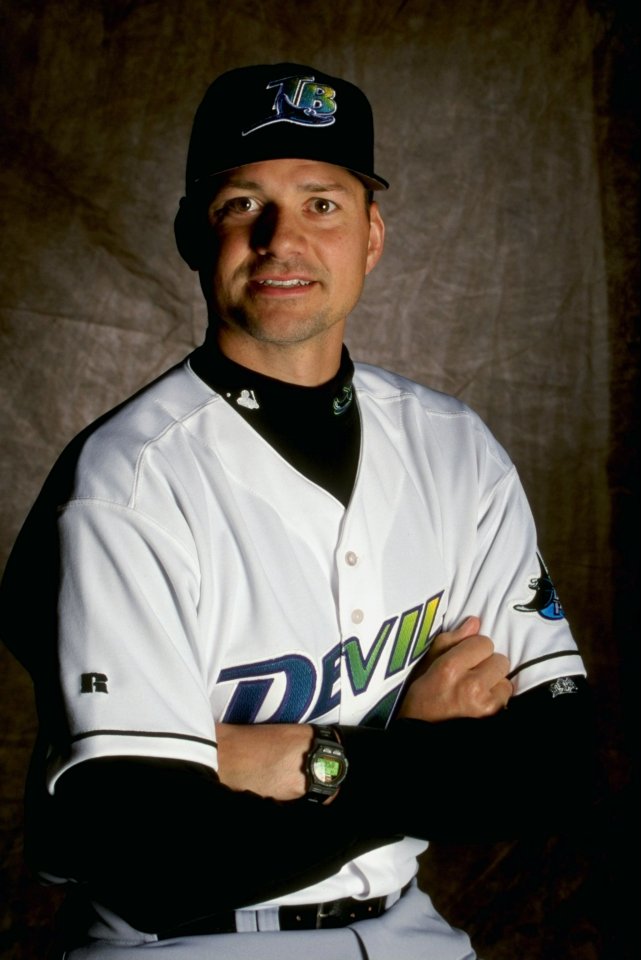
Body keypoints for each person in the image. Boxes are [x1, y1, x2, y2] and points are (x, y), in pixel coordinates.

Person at [0, 63, 593, 960]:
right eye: (244, 203)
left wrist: (298, 758)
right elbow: (155, 858)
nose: (283, 239)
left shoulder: (454, 447)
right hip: (182, 943)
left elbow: (551, 767)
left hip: (409, 927)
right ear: (193, 234)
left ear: (372, 236)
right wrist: (419, 747)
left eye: (322, 203)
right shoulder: (125, 483)